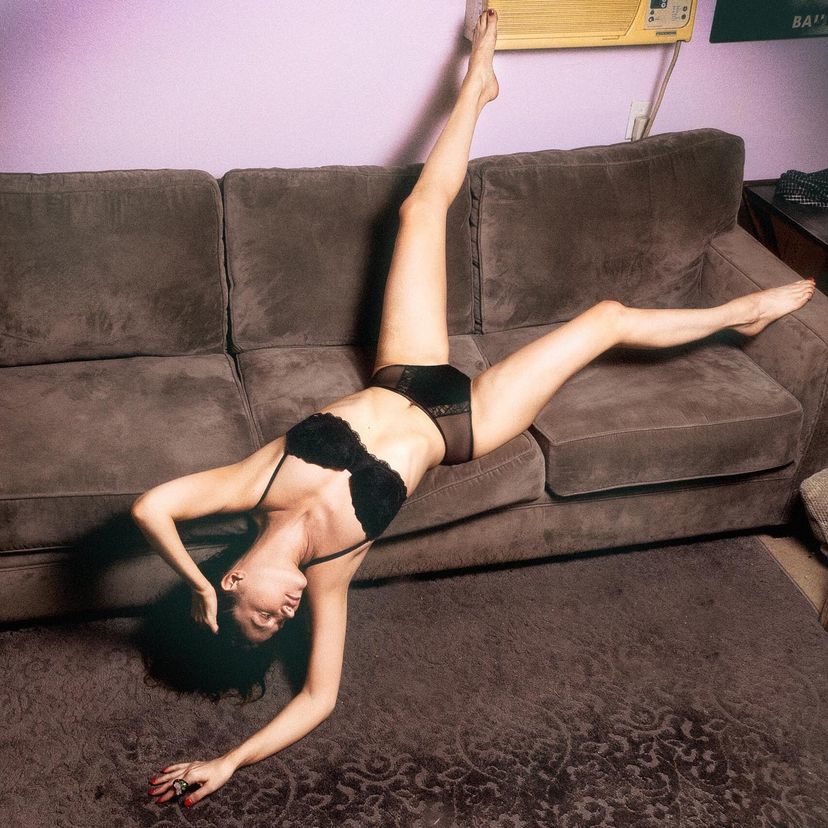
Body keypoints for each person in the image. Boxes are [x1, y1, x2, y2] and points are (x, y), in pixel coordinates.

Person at [135, 8, 816, 808]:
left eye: (257, 620)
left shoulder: (251, 483)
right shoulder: (331, 571)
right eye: (274, 630)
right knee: (604, 319)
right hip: (464, 421)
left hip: (405, 373)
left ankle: (478, 82)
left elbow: (152, 507)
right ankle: (740, 315)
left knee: (420, 209)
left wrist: (192, 583)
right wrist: (230, 760)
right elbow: (318, 699)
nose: (279, 618)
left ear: (232, 580)